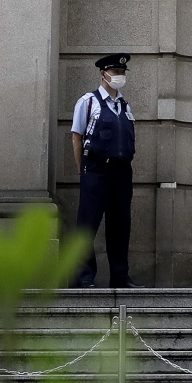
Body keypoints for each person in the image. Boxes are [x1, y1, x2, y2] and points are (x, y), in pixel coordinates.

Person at [70, 53, 139, 289]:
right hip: (96, 170)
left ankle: (120, 276)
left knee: (120, 225)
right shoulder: (88, 102)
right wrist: (84, 171)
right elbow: (76, 137)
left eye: (122, 73)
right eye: (116, 72)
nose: (119, 76)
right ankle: (83, 276)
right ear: (103, 74)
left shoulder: (125, 106)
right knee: (87, 224)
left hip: (121, 172)